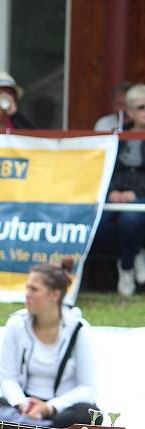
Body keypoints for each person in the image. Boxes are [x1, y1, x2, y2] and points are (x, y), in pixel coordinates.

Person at [0, 261, 99, 427]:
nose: (27, 294)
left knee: (89, 413)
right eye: (27, 288)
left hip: (59, 410)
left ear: (54, 295)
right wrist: (23, 404)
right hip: (22, 406)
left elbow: (88, 388)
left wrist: (48, 408)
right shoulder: (16, 323)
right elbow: (7, 378)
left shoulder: (79, 330)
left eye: (34, 289)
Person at [96, 83, 145, 296]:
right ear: (131, 111)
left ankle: (126, 269)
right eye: (142, 107)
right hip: (116, 196)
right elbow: (106, 169)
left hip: (141, 197)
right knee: (99, 222)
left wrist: (136, 194)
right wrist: (112, 192)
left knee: (131, 218)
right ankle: (135, 254)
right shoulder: (117, 137)